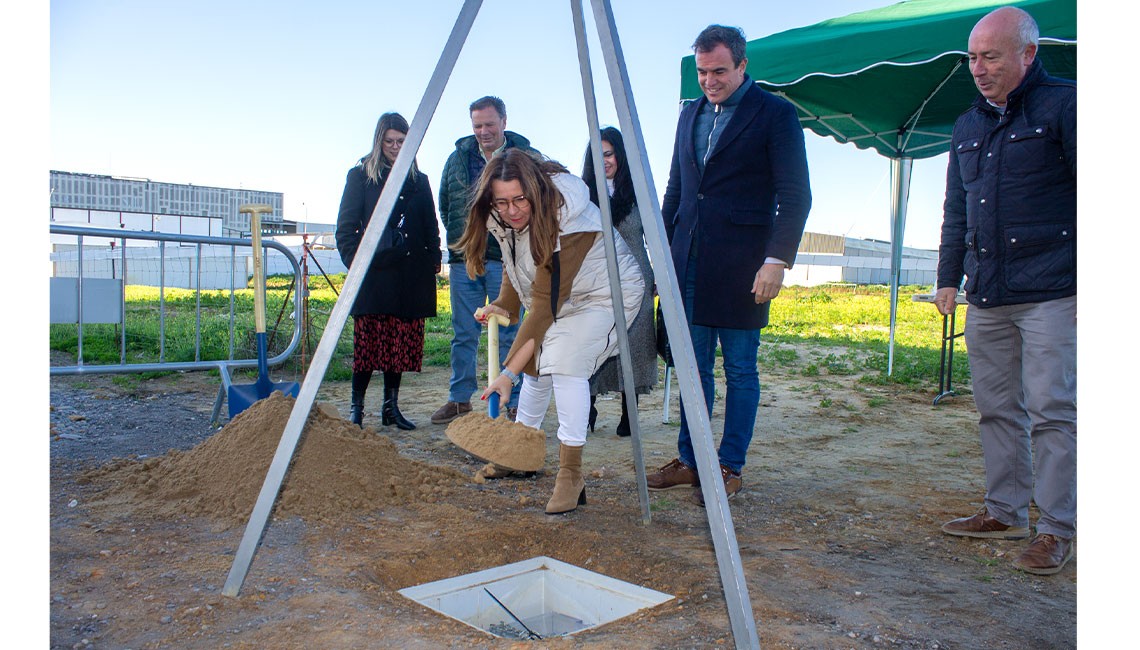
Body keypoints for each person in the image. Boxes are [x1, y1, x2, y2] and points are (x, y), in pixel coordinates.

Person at [934, 6, 1076, 576]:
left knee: (1052, 411)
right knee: (996, 409)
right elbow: (957, 209)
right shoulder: (967, 125)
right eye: (972, 57)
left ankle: (1056, 528)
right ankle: (1004, 510)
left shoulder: (1067, 105)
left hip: (1054, 289)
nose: (978, 68)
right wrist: (948, 276)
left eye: (990, 56)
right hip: (987, 293)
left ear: (1028, 53)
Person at [647, 24, 811, 507]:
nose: (709, 81)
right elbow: (676, 191)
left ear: (742, 65)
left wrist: (776, 261)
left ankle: (728, 464)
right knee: (691, 369)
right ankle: (691, 460)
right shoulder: (689, 116)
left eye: (719, 70)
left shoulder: (776, 113)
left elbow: (795, 195)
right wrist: (662, 256)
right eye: (701, 71)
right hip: (689, 264)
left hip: (745, 268)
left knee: (740, 370)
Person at [457, 149, 644, 515]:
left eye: (519, 200)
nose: (511, 211)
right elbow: (516, 260)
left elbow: (543, 305)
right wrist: (506, 303)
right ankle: (519, 455)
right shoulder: (502, 212)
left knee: (562, 363)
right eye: (502, 202)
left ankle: (571, 474)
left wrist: (508, 373)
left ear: (535, 189)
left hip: (605, 294)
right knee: (538, 364)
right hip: (562, 295)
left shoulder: (567, 218)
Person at [431, 96, 541, 425]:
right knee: (464, 331)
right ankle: (459, 398)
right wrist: (458, 239)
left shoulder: (525, 158)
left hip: (506, 260)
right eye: (477, 125)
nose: (483, 131)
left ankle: (514, 399)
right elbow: (446, 204)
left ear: (504, 122)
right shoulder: (456, 160)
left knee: (511, 330)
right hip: (465, 259)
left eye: (489, 124)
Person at [336, 112, 441, 430]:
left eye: (401, 141)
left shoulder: (418, 180)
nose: (396, 147)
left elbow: (430, 225)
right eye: (390, 141)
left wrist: (434, 260)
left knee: (398, 347)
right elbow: (346, 227)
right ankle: (357, 410)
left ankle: (390, 408)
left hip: (409, 277)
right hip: (374, 277)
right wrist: (357, 266)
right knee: (367, 346)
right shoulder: (361, 176)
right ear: (379, 141)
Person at [580, 127, 657, 437]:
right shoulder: (582, 195)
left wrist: (660, 279)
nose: (604, 160)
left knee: (634, 346)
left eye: (609, 153)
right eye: (597, 155)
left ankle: (630, 415)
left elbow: (655, 238)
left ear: (620, 155)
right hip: (595, 282)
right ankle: (587, 408)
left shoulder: (640, 190)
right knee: (593, 345)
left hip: (637, 280)